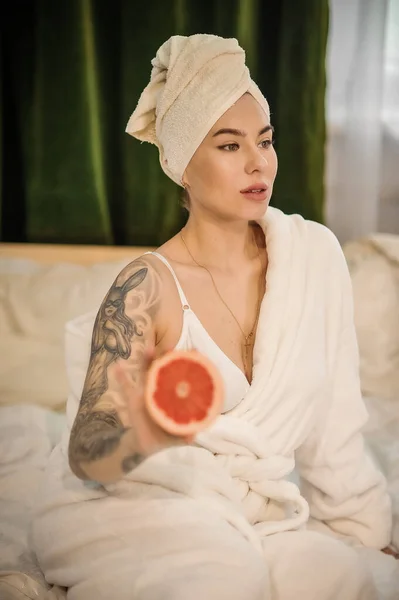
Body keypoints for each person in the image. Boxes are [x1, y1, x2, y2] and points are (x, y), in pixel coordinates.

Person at [32, 34, 398, 600]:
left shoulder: (312, 256)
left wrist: (366, 530)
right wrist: (157, 423)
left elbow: (336, 427)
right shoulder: (145, 287)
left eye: (266, 140)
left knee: (338, 576)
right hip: (142, 501)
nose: (259, 162)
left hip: (252, 509)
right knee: (224, 580)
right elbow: (88, 450)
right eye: (229, 146)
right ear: (182, 165)